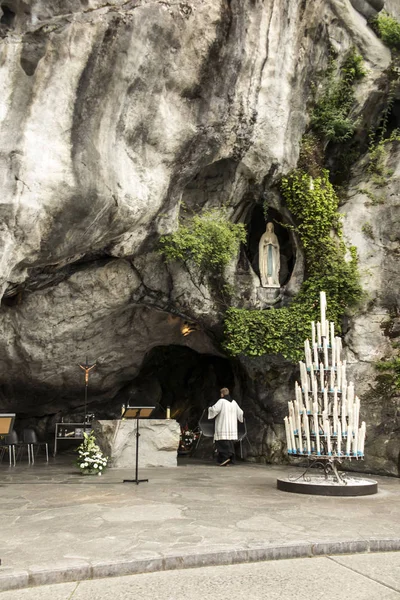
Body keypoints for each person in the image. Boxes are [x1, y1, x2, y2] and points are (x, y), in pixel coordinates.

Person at [208, 387, 244, 466]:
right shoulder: (234, 402)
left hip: (223, 425)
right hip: (232, 427)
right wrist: (240, 420)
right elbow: (241, 412)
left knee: (221, 442)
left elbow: (214, 410)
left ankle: (225, 458)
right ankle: (229, 459)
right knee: (229, 443)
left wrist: (209, 408)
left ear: (222, 394)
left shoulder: (221, 401)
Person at [258, 222, 280, 287]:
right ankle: (267, 281)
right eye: (268, 226)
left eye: (271, 226)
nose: (270, 227)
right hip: (266, 253)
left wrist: (273, 244)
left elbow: (277, 246)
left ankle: (273, 281)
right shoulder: (264, 235)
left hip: (273, 253)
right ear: (267, 227)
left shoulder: (274, 236)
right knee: (266, 266)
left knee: (273, 266)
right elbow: (261, 245)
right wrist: (267, 244)